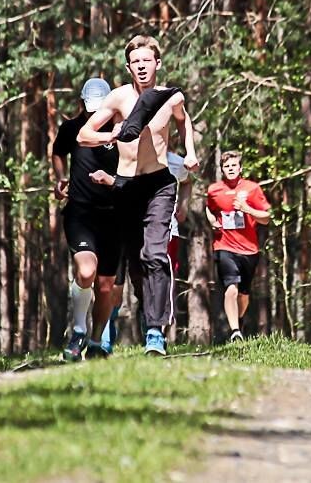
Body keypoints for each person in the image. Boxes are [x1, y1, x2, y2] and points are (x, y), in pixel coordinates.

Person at [78, 35, 198, 356]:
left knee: (155, 255)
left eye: (147, 61)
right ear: (128, 67)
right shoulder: (118, 99)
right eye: (136, 63)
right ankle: (141, 318)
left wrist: (190, 152)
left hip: (159, 184)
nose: (142, 67)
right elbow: (84, 134)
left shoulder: (170, 98)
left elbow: (184, 124)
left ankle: (156, 332)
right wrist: (111, 134)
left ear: (157, 63)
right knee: (133, 264)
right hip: (126, 186)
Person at [51, 77, 121, 361]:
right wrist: (60, 178)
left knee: (105, 286)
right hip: (80, 212)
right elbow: (58, 152)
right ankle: (78, 330)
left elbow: (135, 168)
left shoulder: (120, 131)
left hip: (114, 216)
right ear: (81, 103)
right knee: (86, 272)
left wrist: (113, 181)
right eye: (89, 107)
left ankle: (95, 342)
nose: (93, 114)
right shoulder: (71, 128)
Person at [205, 150, 271, 342]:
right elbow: (209, 208)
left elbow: (266, 218)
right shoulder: (214, 190)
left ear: (240, 168)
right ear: (222, 170)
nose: (231, 169)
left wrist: (247, 209)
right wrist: (212, 221)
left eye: (234, 166)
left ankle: (239, 319)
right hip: (224, 246)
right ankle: (235, 332)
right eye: (227, 166)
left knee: (243, 294)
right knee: (231, 288)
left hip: (249, 249)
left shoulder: (252, 189)